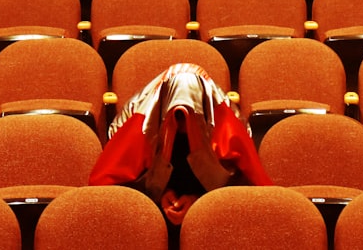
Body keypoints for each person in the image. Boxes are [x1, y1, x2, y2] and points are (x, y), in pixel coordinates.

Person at [89, 63, 272, 225]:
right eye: (177, 116)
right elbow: (111, 188)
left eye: (190, 116)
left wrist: (198, 201)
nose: (183, 124)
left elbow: (245, 189)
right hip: (148, 216)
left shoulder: (229, 125)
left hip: (213, 215)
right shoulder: (137, 125)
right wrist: (159, 197)